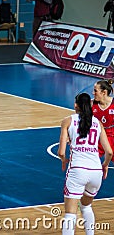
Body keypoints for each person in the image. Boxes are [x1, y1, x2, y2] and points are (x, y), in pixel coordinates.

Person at [58, 93, 113, 235]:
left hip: (78, 170)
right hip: (96, 172)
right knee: (86, 207)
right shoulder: (98, 123)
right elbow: (109, 152)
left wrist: (64, 160)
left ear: (75, 105)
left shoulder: (68, 121)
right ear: (90, 106)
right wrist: (105, 165)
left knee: (70, 213)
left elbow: (61, 151)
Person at [92, 79, 114, 162]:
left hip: (112, 137)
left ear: (104, 92)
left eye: (95, 91)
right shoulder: (91, 104)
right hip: (98, 137)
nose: (93, 93)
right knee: (90, 158)